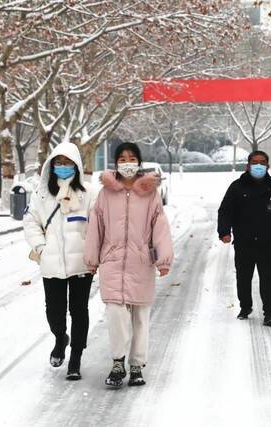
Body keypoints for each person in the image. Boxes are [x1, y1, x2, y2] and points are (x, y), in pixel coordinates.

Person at [84, 142, 173, 389]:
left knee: (140, 318)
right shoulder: (105, 193)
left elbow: (160, 226)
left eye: (132, 158)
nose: (127, 163)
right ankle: (117, 362)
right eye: (122, 158)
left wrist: (163, 259)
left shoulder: (150, 193)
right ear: (115, 163)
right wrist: (92, 259)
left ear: (139, 162)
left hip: (141, 262)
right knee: (116, 315)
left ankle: (136, 365)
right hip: (111, 262)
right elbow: (95, 228)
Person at [24, 142, 95, 381]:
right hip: (51, 263)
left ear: (76, 165)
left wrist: (91, 249)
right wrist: (41, 248)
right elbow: (31, 221)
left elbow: (97, 225)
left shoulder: (88, 193)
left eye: (67, 163)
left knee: (79, 310)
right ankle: (59, 337)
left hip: (82, 264)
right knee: (54, 311)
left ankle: (75, 357)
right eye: (58, 163)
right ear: (51, 165)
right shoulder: (41, 194)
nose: (62, 167)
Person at [218, 150, 271, 326]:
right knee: (244, 277)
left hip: (268, 242)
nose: (259, 165)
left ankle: (270, 313)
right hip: (244, 242)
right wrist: (224, 232)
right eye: (255, 162)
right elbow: (225, 211)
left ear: (268, 166)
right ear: (248, 166)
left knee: (268, 278)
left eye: (262, 162)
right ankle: (245, 306)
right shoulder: (236, 187)